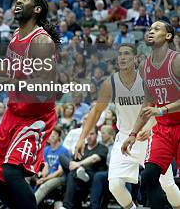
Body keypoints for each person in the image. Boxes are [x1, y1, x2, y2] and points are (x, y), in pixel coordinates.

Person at [0, 0, 59, 209]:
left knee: (12, 172)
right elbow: (10, 68)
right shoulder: (15, 36)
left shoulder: (41, 41)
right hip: (13, 113)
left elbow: (43, 84)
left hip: (35, 117)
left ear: (38, 9)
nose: (19, 2)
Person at [76, 43, 180, 209]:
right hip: (125, 137)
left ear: (136, 59)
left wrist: (151, 128)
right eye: (120, 54)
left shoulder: (149, 80)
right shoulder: (110, 84)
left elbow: (164, 107)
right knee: (115, 185)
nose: (122, 57)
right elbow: (95, 112)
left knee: (166, 185)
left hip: (152, 137)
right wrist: (81, 138)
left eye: (127, 54)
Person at [122, 21, 180, 209]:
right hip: (163, 130)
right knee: (148, 177)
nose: (151, 32)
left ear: (168, 36)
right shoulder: (145, 67)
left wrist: (162, 110)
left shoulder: (176, 61)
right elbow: (147, 105)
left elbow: (156, 108)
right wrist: (132, 134)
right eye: (150, 29)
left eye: (156, 29)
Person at [60, 128, 108, 209]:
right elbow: (72, 162)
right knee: (62, 157)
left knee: (72, 174)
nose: (89, 137)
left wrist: (78, 164)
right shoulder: (82, 147)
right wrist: (76, 167)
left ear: (97, 135)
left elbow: (94, 158)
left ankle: (66, 206)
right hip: (79, 175)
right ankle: (78, 171)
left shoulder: (102, 148)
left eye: (92, 134)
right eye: (87, 134)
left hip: (93, 175)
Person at [34, 126, 70, 205]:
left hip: (61, 178)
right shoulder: (47, 149)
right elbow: (46, 167)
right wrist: (42, 176)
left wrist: (45, 179)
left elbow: (59, 172)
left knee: (44, 186)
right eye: (50, 134)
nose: (52, 136)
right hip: (49, 176)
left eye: (54, 134)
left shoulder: (64, 150)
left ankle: (30, 206)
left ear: (59, 137)